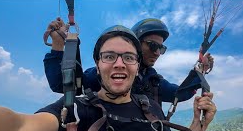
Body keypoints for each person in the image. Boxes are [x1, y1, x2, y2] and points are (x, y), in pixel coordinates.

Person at [0, 25, 217, 131]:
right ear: (97, 66)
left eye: (128, 58)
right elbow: (16, 128)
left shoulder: (152, 107)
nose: (119, 63)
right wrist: (59, 49)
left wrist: (199, 126)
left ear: (135, 64)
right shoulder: (78, 111)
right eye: (109, 56)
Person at [43, 17, 214, 107]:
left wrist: (199, 71)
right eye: (153, 45)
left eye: (161, 48)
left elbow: (180, 94)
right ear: (135, 45)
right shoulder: (107, 75)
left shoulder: (153, 82)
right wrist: (59, 44)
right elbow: (62, 85)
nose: (157, 52)